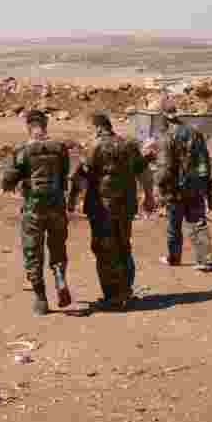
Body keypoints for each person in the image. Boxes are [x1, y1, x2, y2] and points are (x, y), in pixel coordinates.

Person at [68, 112, 157, 310]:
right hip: (125, 207)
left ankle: (113, 297)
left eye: (93, 130)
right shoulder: (129, 145)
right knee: (123, 245)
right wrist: (149, 196)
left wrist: (72, 199)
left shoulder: (94, 147)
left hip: (101, 208)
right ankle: (126, 290)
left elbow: (80, 175)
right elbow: (143, 171)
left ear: (99, 128)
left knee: (104, 250)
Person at [0, 109, 73, 315]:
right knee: (57, 246)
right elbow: (65, 173)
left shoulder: (21, 150)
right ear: (45, 125)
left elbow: (7, 181)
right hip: (57, 207)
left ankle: (41, 299)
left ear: (28, 126)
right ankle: (59, 278)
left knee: (33, 252)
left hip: (34, 209)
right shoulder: (59, 148)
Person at [152, 101, 212, 271]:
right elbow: (205, 161)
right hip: (196, 186)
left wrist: (158, 186)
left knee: (174, 225)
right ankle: (203, 260)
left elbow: (164, 168)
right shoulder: (195, 132)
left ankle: (174, 258)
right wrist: (204, 183)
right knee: (198, 222)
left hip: (175, 189)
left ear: (164, 116)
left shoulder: (167, 136)